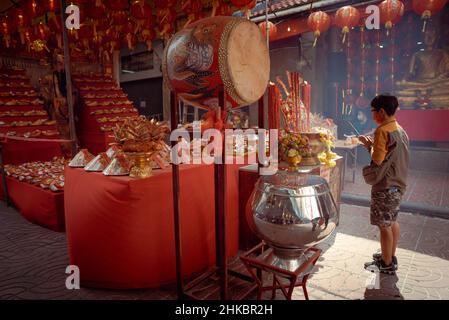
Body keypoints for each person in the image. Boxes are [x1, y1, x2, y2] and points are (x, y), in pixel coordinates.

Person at [358, 94, 410, 275]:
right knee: (392, 221)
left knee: (384, 225)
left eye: (373, 111)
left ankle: (386, 263)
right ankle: (390, 255)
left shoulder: (382, 131)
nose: (372, 115)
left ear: (381, 111)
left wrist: (368, 145)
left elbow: (378, 159)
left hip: (386, 186)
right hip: (398, 184)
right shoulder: (400, 130)